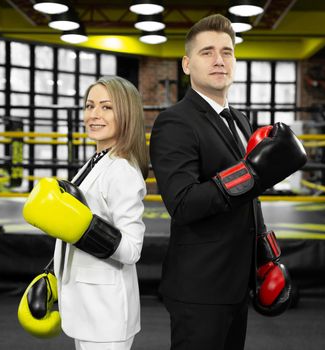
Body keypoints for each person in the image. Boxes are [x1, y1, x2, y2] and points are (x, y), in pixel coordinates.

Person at [149, 14, 307, 350]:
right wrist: (253, 172)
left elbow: (251, 198)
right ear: (187, 64)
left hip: (236, 283)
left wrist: (267, 256)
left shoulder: (239, 120)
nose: (219, 60)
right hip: (200, 288)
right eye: (207, 52)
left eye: (227, 51)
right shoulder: (174, 122)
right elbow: (183, 203)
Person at [20, 76, 149, 350]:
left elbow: (131, 249)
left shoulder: (122, 170)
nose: (94, 115)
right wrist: (52, 274)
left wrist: (85, 227)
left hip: (106, 311)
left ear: (126, 113)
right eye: (90, 106)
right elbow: (70, 232)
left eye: (106, 107)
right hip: (85, 306)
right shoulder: (95, 161)